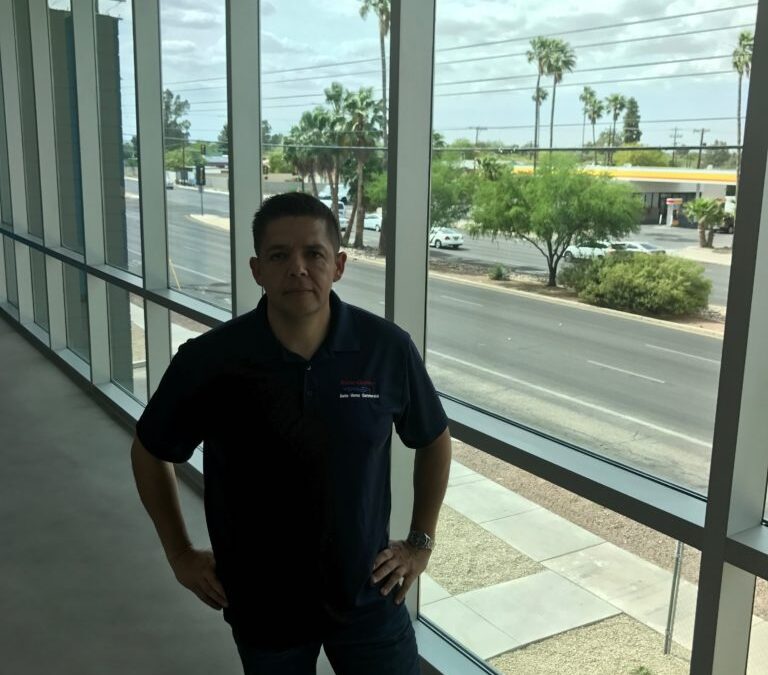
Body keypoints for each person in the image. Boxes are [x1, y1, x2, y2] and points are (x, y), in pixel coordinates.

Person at [131, 191, 452, 674]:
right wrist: (179, 552)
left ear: (339, 265)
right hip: (263, 609)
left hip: (369, 597)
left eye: (314, 254)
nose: (297, 268)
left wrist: (419, 544)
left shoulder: (384, 349)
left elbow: (433, 439)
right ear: (257, 270)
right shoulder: (210, 361)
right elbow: (149, 450)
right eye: (279, 256)